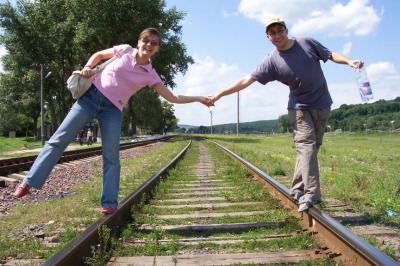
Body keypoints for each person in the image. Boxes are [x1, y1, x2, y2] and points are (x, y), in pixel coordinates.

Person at [14, 27, 211, 214]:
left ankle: (109, 203)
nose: (149, 45)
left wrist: (199, 98)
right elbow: (99, 55)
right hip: (90, 98)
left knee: (111, 156)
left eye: (154, 43)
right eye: (146, 40)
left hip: (113, 110)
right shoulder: (124, 50)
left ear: (157, 49)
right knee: (58, 140)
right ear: (139, 42)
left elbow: (172, 98)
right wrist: (88, 67)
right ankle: (29, 181)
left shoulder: (150, 74)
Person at [208, 18, 363, 212]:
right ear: (268, 37)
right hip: (298, 108)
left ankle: (297, 188)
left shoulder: (307, 43)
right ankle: (312, 194)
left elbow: (330, 54)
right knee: (306, 146)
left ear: (286, 31)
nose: (277, 35)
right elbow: (247, 79)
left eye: (279, 30)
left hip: (323, 104)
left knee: (311, 149)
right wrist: (219, 94)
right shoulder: (272, 60)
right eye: (272, 33)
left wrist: (349, 61)